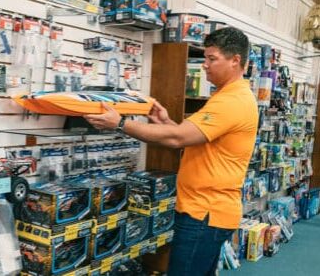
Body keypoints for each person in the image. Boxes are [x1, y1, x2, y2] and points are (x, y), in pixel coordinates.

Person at [84, 27, 258, 275]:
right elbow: (193, 138)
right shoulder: (230, 96)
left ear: (235, 60)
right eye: (205, 58)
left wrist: (120, 123)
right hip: (207, 211)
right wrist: (165, 122)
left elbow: (178, 139)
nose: (205, 65)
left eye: (212, 58)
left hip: (205, 213)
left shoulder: (232, 101)